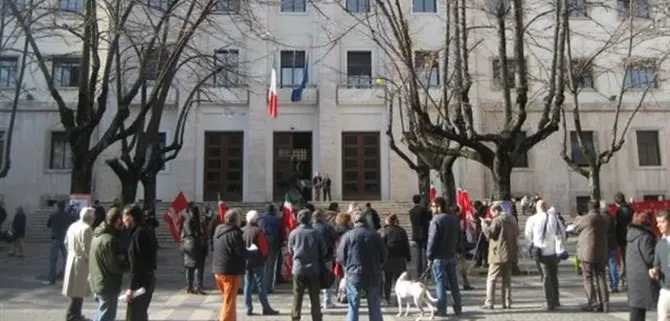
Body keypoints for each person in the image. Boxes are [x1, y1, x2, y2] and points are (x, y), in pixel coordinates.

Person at [337, 210, 386, 321]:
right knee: (374, 305)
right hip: (373, 273)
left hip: (354, 273)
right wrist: (378, 265)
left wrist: (347, 267)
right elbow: (384, 255)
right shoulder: (376, 235)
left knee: (353, 306)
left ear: (354, 221)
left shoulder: (348, 235)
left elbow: (340, 257)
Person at [524, 200, 562, 311]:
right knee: (554, 275)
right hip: (554, 251)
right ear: (546, 207)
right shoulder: (554, 218)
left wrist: (530, 249)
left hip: (541, 251)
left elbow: (528, 236)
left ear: (536, 207)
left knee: (545, 276)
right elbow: (561, 233)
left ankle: (549, 301)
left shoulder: (532, 219)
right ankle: (556, 299)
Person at [122, 205, 158, 321]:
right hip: (149, 278)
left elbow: (136, 263)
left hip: (140, 282)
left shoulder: (138, 234)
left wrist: (131, 288)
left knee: (134, 315)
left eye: (124, 216)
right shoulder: (146, 230)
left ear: (131, 217)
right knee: (141, 313)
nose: (123, 219)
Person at [427, 196, 462, 316]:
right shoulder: (453, 218)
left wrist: (429, 255)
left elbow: (432, 240)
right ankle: (458, 307)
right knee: (453, 283)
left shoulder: (436, 220)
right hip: (451, 254)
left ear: (438, 207)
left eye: (432, 206)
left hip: (439, 256)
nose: (431, 209)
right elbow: (459, 236)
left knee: (440, 283)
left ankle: (442, 308)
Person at [89, 208, 126, 321]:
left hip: (97, 280)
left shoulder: (97, 235)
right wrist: (125, 265)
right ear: (118, 220)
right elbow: (113, 266)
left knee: (102, 311)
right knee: (107, 315)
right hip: (107, 283)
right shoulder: (109, 240)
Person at [289, 209, 326, 321]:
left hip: (298, 268)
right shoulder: (316, 233)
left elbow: (290, 250)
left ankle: (295, 317)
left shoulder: (294, 233)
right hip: (313, 269)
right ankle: (316, 318)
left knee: (297, 297)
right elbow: (323, 250)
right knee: (315, 297)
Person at [572, 200, 609, 313]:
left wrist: (577, 221)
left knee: (588, 277)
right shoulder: (604, 218)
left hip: (587, 253)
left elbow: (575, 229)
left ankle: (592, 303)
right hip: (601, 251)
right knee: (601, 277)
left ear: (589, 208)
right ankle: (605, 303)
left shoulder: (587, 218)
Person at [212, 208, 247, 321]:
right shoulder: (235, 233)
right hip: (230, 271)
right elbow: (241, 252)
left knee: (227, 299)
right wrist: (252, 252)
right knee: (230, 300)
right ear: (236, 220)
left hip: (218, 269)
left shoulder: (218, 229)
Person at [481, 204, 518, 309]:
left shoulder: (497, 220)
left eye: (492, 213)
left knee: (491, 278)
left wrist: (484, 225)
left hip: (497, 253)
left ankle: (489, 302)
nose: (492, 215)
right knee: (507, 280)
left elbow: (490, 234)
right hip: (510, 253)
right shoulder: (512, 219)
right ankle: (507, 302)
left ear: (496, 211)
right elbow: (516, 232)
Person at [241, 210, 279, 315]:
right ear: (256, 219)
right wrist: (264, 257)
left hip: (246, 261)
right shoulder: (258, 231)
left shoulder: (242, 230)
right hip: (257, 261)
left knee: (247, 284)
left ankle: (248, 307)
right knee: (260, 284)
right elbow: (264, 248)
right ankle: (265, 307)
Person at [62, 207, 95, 321]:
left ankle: (76, 314)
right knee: (78, 291)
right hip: (81, 262)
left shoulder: (73, 226)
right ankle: (72, 315)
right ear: (91, 217)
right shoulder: (87, 229)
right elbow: (88, 249)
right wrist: (91, 262)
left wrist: (72, 252)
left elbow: (66, 242)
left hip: (72, 258)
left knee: (76, 290)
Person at [626, 210, 658, 321]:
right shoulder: (645, 237)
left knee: (636, 309)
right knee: (638, 312)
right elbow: (650, 258)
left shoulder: (631, 234)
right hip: (643, 276)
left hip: (633, 274)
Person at [379, 213, 411, 305]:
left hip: (388, 259)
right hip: (400, 259)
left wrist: (380, 258)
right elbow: (406, 246)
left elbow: (381, 245)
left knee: (387, 281)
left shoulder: (384, 231)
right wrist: (408, 258)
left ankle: (387, 298)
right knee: (399, 281)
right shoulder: (402, 231)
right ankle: (398, 300)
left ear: (388, 221)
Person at [181, 203, 207, 294]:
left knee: (189, 266)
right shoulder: (195, 221)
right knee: (198, 266)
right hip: (195, 244)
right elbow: (197, 233)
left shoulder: (186, 220)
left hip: (186, 244)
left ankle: (189, 285)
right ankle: (198, 286)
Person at [45, 200, 73, 285]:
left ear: (57, 206)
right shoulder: (69, 215)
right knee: (67, 259)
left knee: (53, 260)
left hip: (55, 238)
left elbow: (48, 225)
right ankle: (68, 278)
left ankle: (52, 279)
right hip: (66, 239)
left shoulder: (53, 215)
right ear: (64, 206)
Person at [257, 203, 283, 293]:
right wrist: (281, 242)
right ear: (273, 211)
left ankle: (259, 286)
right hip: (273, 245)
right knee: (270, 266)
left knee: (260, 266)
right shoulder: (278, 220)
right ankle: (267, 287)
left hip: (261, 245)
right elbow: (281, 233)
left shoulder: (259, 219)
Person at [651, 210, 670, 320]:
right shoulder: (659, 244)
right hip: (665, 290)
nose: (658, 225)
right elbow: (656, 264)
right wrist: (654, 271)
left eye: (662, 222)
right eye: (658, 222)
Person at [409, 194, 432, 278]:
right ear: (420, 200)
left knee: (418, 253)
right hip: (424, 233)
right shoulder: (423, 210)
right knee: (425, 253)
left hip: (415, 233)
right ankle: (425, 271)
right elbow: (429, 218)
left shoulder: (411, 211)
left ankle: (418, 271)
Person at [614, 192, 633, 287]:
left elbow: (619, 226)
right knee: (629, 258)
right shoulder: (630, 209)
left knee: (623, 259)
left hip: (622, 238)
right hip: (631, 236)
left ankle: (623, 278)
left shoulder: (620, 211)